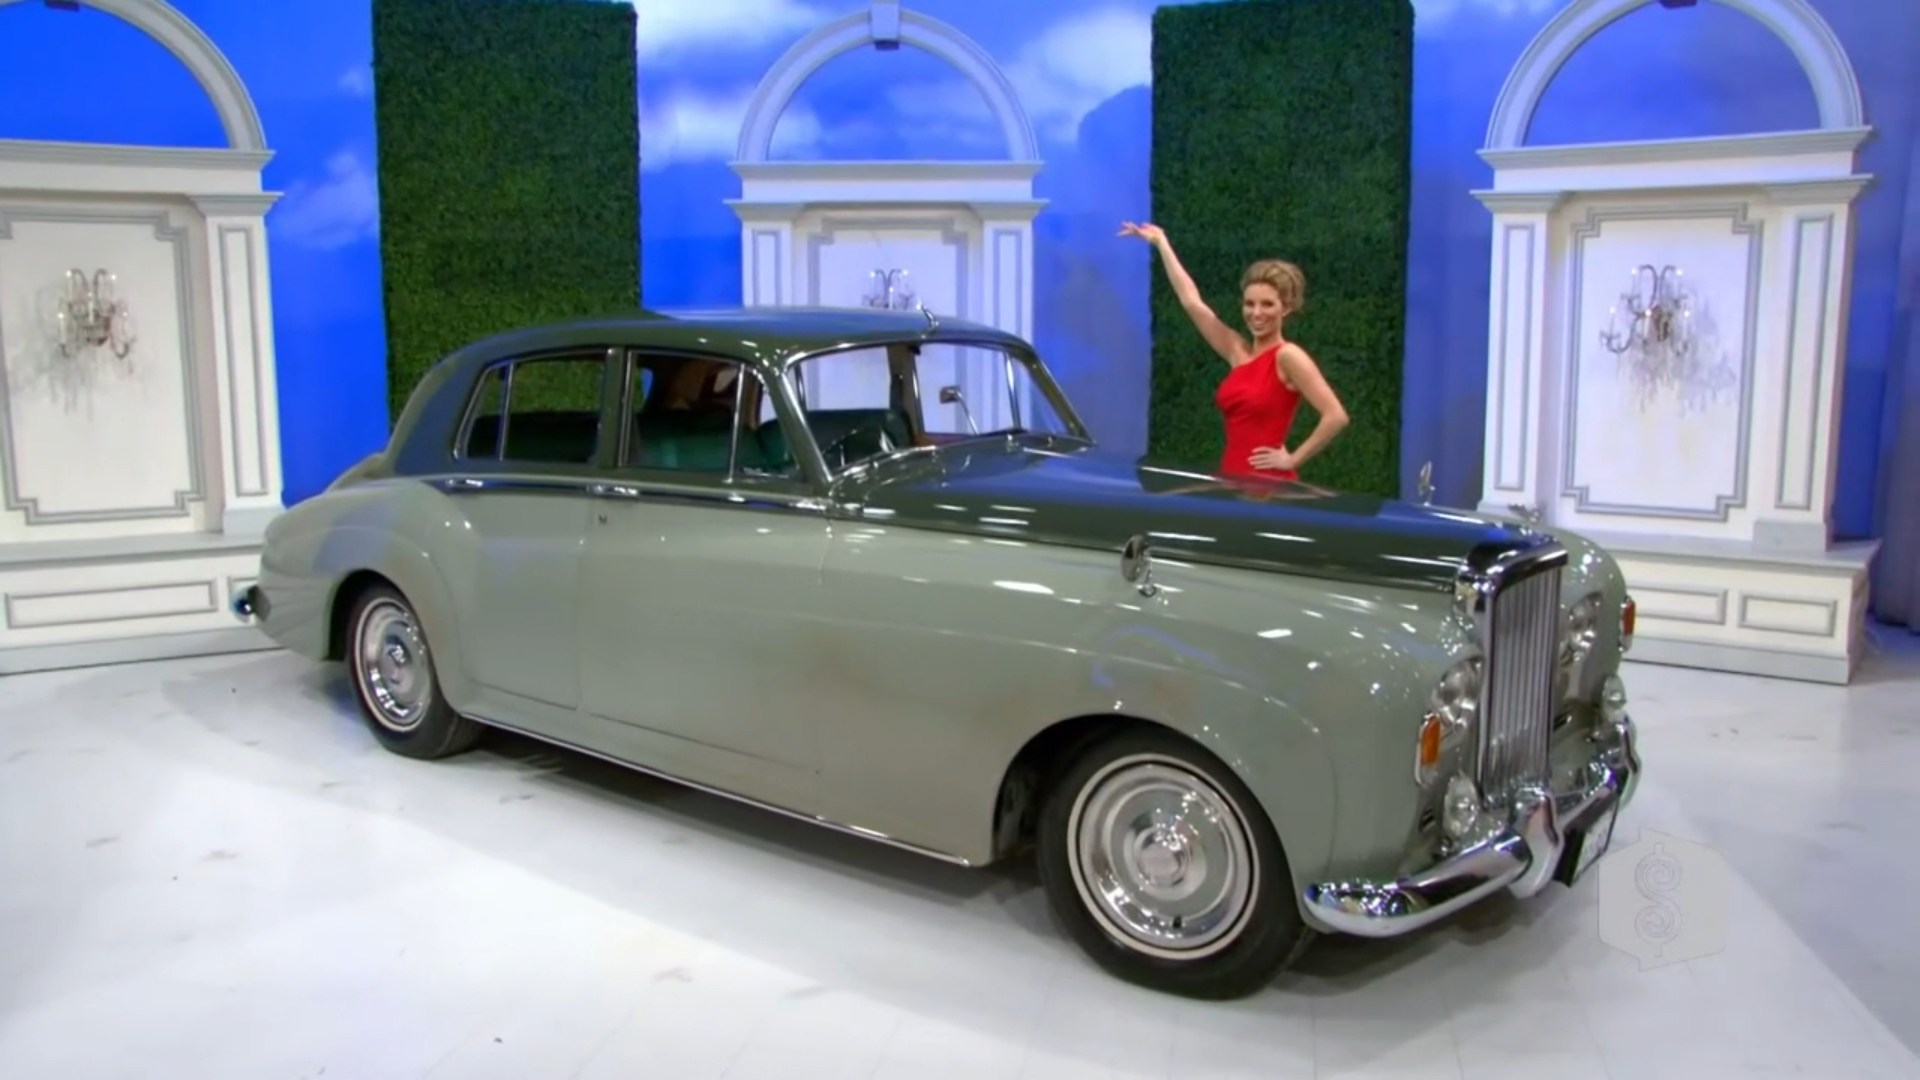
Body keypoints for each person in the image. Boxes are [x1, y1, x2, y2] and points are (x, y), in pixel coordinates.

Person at [1120, 221, 1349, 481]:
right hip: (1232, 476)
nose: (1257, 313)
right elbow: (1193, 303)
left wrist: (1293, 459)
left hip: (1266, 483)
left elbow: (1336, 416)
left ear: (1285, 308)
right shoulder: (1237, 351)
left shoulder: (1288, 356)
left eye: (1267, 304)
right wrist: (1161, 243)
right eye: (1250, 304)